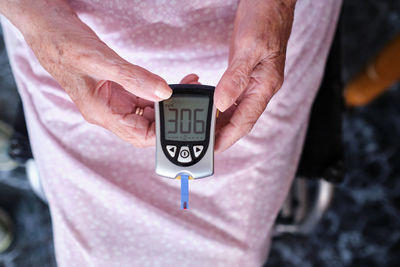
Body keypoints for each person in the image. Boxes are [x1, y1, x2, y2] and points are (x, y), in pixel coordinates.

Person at [0, 0, 341, 266]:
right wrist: (33, 16)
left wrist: (277, 6)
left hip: (250, 45)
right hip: (75, 43)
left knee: (230, 257)